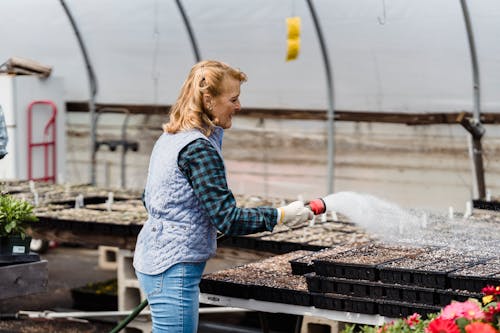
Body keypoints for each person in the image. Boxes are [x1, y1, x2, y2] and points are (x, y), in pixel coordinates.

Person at [133, 60, 313, 333]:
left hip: (153, 256)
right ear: (208, 100)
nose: (239, 106)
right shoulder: (198, 149)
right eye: (233, 99)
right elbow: (228, 218)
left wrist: (195, 219)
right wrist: (282, 215)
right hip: (173, 267)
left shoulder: (170, 137)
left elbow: (150, 198)